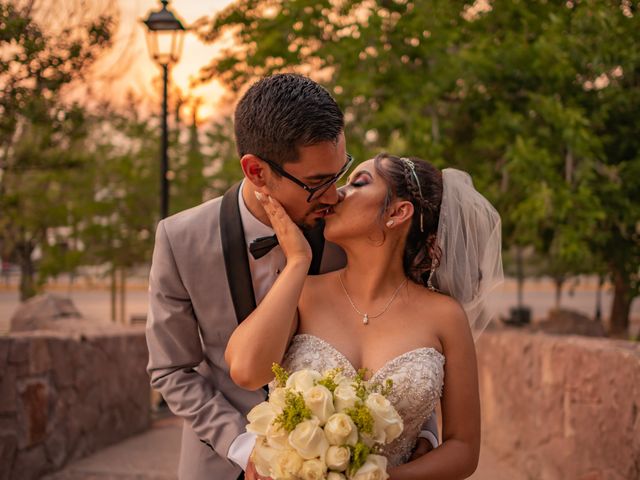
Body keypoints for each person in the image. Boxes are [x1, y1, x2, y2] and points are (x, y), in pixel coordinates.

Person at [145, 74, 438, 480]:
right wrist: (243, 447)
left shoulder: (350, 234)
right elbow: (171, 370)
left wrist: (421, 432)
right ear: (256, 170)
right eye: (318, 184)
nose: (335, 195)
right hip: (219, 466)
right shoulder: (180, 240)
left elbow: (400, 329)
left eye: (342, 173)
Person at [225, 153, 503, 479]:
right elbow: (245, 371)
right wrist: (299, 259)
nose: (336, 193)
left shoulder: (445, 317)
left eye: (358, 183)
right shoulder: (302, 292)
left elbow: (463, 448)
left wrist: (379, 478)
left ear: (398, 212)